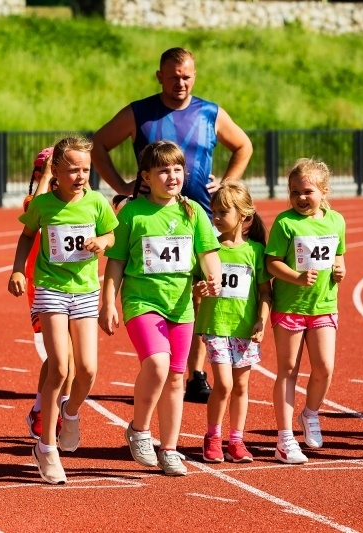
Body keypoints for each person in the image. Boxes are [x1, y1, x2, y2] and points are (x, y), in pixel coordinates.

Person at [91, 47, 253, 403]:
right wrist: (121, 187)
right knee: (157, 288)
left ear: (194, 75)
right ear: (159, 76)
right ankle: (158, 368)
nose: (181, 82)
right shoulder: (140, 113)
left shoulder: (210, 112)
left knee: (199, 296)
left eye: (187, 76)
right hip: (150, 218)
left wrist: (226, 183)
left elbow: (243, 146)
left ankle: (194, 372)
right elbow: (98, 145)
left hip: (199, 218)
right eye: (174, 76)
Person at [99, 141, 222, 476]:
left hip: (180, 306)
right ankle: (139, 429)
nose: (172, 176)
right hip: (142, 301)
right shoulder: (132, 213)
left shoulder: (193, 212)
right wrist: (107, 301)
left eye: (177, 169)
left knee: (177, 378)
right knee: (157, 363)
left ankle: (169, 449)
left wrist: (214, 279)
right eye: (163, 170)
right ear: (146, 177)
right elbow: (116, 263)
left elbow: (208, 254)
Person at [8, 135, 117, 485]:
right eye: (73, 169)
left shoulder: (97, 202)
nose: (81, 176)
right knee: (60, 367)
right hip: (52, 290)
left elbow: (111, 236)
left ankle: (70, 414)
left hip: (85, 290)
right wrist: (16, 269)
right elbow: (27, 236)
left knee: (87, 370)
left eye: (86, 169)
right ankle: (47, 446)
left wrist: (101, 241)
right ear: (56, 170)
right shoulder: (43, 206)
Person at [265, 158, 346, 464]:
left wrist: (340, 269)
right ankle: (284, 439)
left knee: (324, 367)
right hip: (290, 307)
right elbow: (271, 262)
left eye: (308, 191)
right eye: (294, 191)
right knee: (288, 370)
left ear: (324, 191)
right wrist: (296, 277)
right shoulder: (285, 224)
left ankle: (310, 413)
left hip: (324, 304)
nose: (300, 197)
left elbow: (339, 256)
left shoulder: (336, 221)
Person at [195, 182, 271, 463]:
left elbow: (264, 292)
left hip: (245, 328)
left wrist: (261, 322)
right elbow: (197, 282)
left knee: (241, 387)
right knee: (223, 384)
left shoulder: (254, 252)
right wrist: (199, 290)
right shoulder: (209, 249)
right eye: (213, 212)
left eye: (222, 212)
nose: (215, 217)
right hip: (216, 325)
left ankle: (236, 440)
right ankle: (213, 436)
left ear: (243, 215)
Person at [21, 147, 74, 442]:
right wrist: (49, 173)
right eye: (51, 171)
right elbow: (33, 210)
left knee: (72, 362)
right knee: (61, 357)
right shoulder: (37, 202)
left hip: (75, 287)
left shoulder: (75, 202)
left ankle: (54, 410)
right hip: (42, 286)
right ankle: (44, 412)